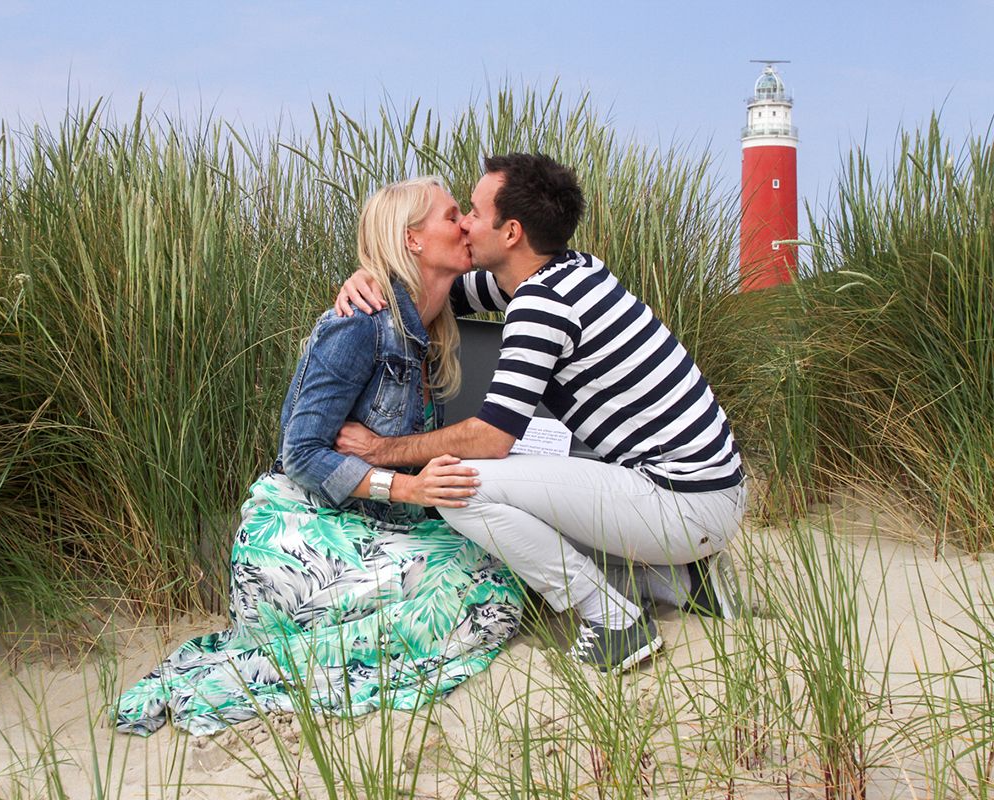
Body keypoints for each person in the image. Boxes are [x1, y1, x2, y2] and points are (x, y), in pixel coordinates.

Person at [115, 177, 525, 736]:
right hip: (300, 530)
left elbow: (530, 274)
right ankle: (272, 666)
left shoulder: (430, 315)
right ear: (412, 240)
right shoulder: (358, 324)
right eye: (452, 215)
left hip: (369, 525)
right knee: (476, 586)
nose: (465, 225)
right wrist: (407, 488)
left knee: (494, 573)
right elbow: (301, 452)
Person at [333, 153, 745, 673]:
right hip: (711, 492)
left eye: (476, 213)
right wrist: (365, 277)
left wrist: (382, 450)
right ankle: (683, 583)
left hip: (682, 504)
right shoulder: (572, 269)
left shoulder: (542, 304)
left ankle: (613, 622)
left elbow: (491, 439)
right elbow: (434, 293)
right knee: (523, 500)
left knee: (460, 488)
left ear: (510, 233)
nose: (464, 224)